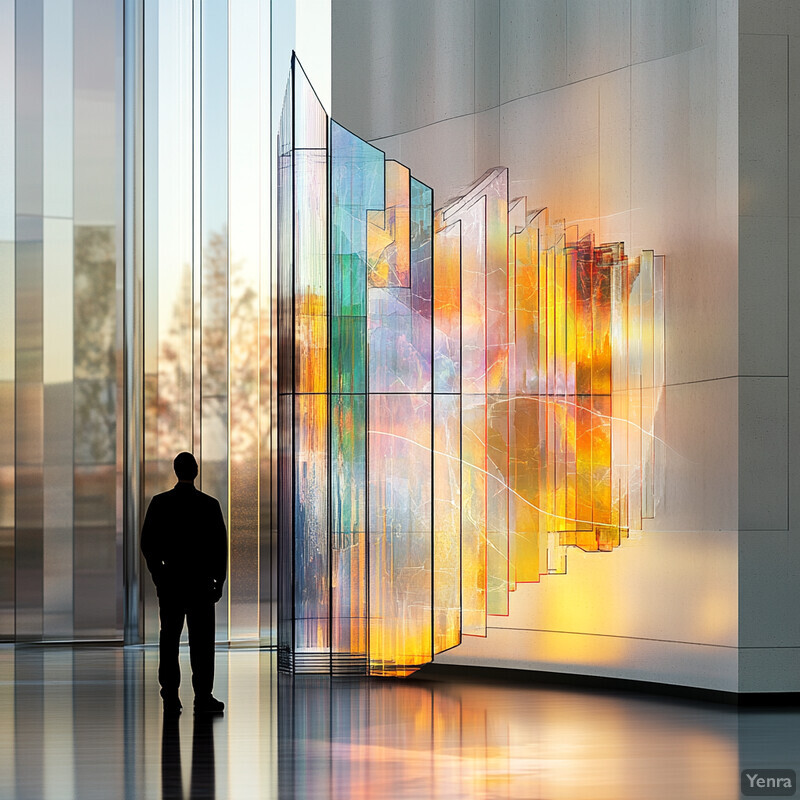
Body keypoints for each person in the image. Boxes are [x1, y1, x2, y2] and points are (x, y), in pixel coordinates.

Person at [141, 452, 227, 715]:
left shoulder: (160, 503)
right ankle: (203, 696)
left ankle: (170, 695)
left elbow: (148, 543)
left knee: (169, 640)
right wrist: (218, 580)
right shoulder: (209, 505)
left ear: (175, 471)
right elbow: (219, 546)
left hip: (172, 583)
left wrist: (159, 574)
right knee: (202, 643)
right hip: (200, 583)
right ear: (196, 471)